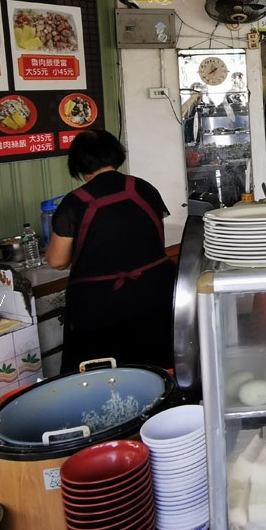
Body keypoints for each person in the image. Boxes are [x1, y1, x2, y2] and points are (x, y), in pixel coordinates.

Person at [46, 129, 176, 372]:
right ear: (116, 155)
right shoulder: (143, 188)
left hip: (102, 306)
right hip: (157, 293)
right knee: (158, 367)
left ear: (78, 164)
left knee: (106, 376)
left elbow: (56, 260)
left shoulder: (75, 202)